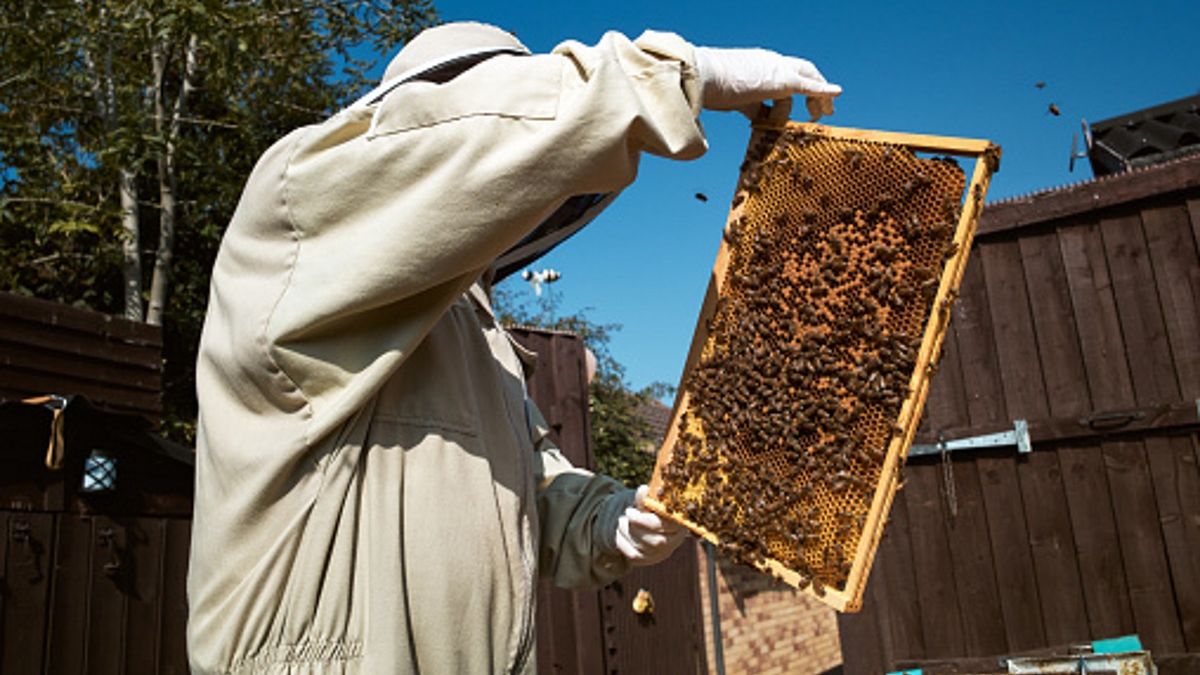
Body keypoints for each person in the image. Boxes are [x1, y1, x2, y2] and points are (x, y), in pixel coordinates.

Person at [187, 22, 840, 675]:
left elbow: (534, 489)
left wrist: (614, 523)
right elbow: (458, 145)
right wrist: (673, 74)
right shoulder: (294, 215)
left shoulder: (480, 339)